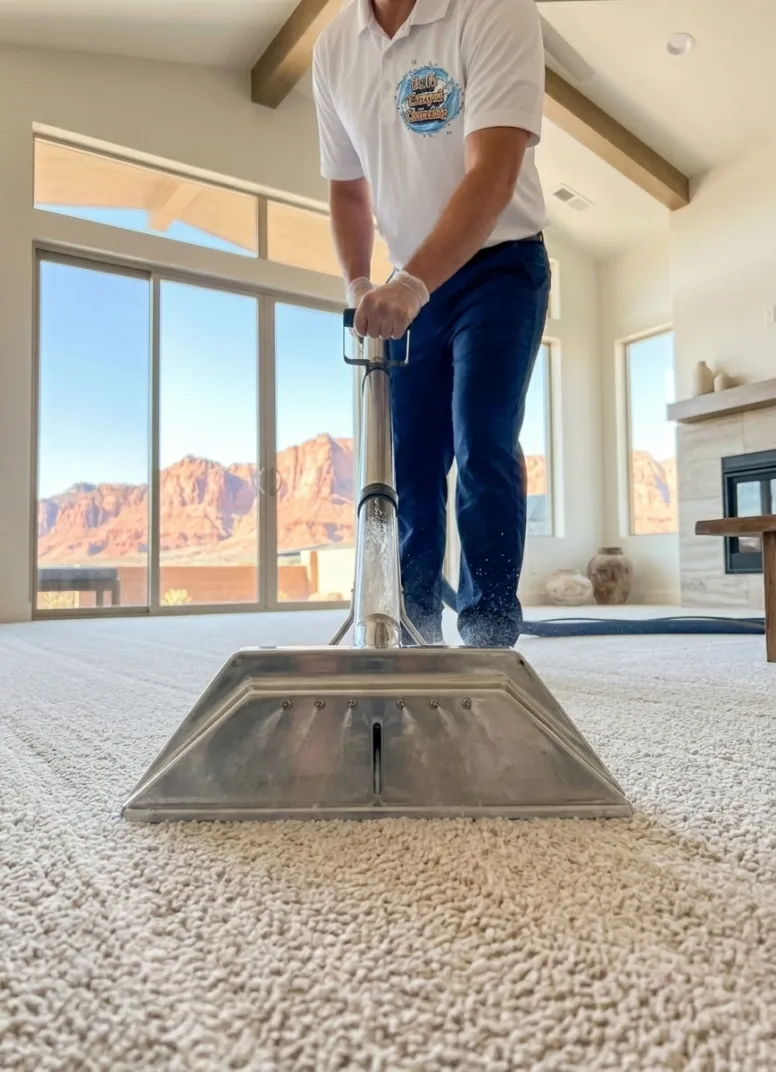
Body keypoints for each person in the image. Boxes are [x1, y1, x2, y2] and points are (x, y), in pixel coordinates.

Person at [312, 0, 551, 647]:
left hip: (500, 265)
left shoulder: (492, 8)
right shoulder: (334, 48)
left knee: (483, 438)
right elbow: (347, 188)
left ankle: (488, 629)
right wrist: (362, 282)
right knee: (410, 464)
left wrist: (414, 283)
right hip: (405, 284)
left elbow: (495, 169)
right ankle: (412, 628)